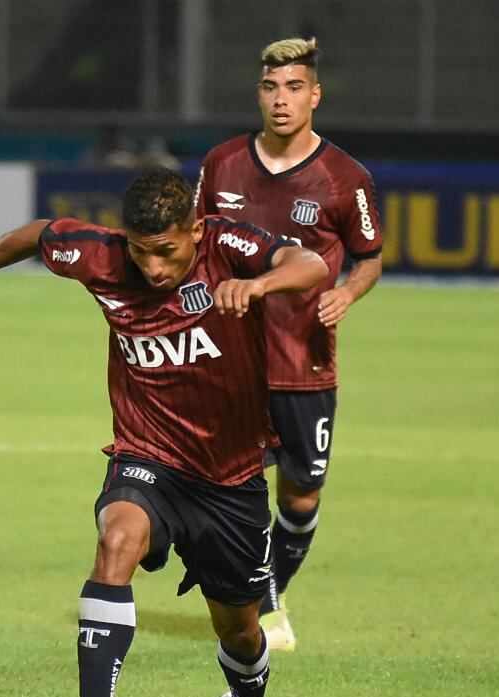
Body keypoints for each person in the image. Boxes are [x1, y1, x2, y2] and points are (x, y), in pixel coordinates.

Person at [0, 168, 327, 697]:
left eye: (167, 250)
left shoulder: (228, 246)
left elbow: (309, 263)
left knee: (241, 632)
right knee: (115, 540)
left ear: (194, 231)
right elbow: (36, 235)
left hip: (230, 479)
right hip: (146, 454)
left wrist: (258, 286)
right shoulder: (103, 256)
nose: (153, 266)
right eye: (141, 251)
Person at [196, 37, 384, 651]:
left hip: (304, 361)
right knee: (228, 490)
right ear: (259, 94)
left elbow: (370, 258)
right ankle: (264, 606)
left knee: (301, 495)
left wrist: (348, 294)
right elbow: (194, 245)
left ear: (315, 96)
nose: (282, 101)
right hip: (229, 362)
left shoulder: (344, 177)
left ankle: (271, 585)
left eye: (295, 88)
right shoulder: (221, 163)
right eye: (272, 89)